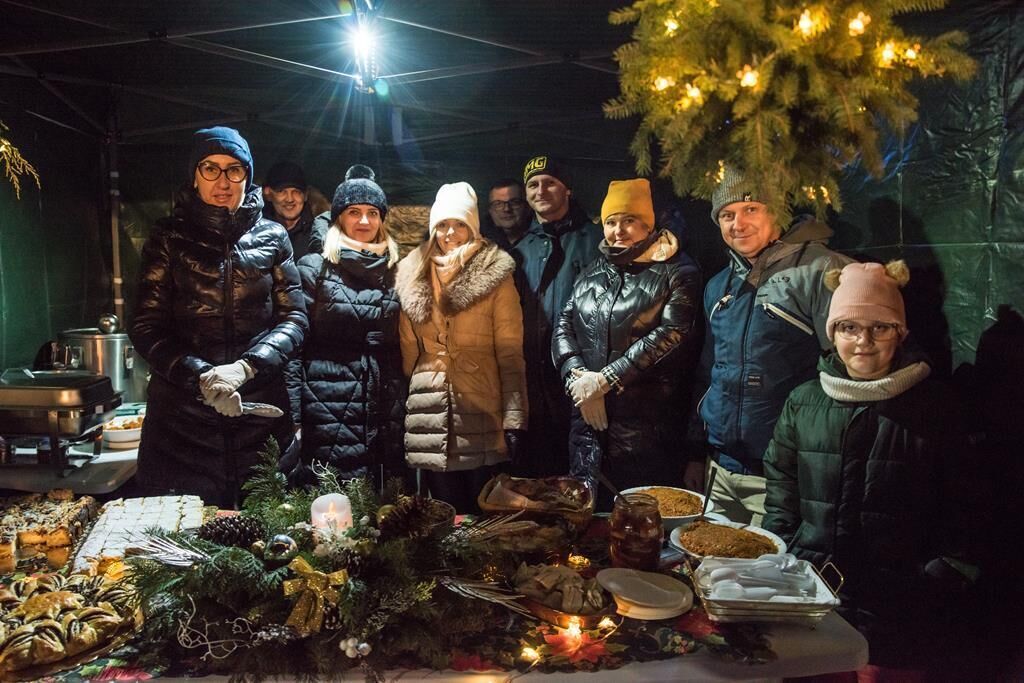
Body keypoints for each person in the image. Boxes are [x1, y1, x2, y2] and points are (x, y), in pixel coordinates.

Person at [763, 261, 975, 675]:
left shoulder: (935, 407)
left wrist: (939, 574)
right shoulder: (805, 400)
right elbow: (782, 481)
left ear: (900, 332)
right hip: (814, 592)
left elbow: (967, 499)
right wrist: (786, 548)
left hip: (899, 603)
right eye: (848, 327)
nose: (863, 341)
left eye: (879, 327)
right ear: (832, 333)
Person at [130, 126, 307, 509]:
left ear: (248, 175)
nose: (222, 181)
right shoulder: (167, 238)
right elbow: (146, 325)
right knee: (183, 544)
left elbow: (294, 319)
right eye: (210, 168)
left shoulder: (273, 237)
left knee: (267, 540)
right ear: (194, 175)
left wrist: (246, 368)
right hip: (182, 428)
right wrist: (201, 376)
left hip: (258, 421)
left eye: (234, 170)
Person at [685, 168, 853, 524]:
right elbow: (708, 372)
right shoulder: (719, 286)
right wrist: (696, 450)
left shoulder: (823, 271)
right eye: (726, 215)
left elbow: (847, 370)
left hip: (784, 472)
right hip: (722, 469)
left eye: (751, 209)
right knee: (715, 570)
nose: (738, 224)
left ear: (776, 211)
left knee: (768, 573)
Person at [552, 179, 702, 509]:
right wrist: (579, 379)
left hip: (644, 434)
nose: (618, 230)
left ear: (649, 224)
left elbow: (673, 332)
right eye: (611, 222)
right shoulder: (593, 271)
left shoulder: (677, 270)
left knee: (639, 528)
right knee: (588, 528)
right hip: (588, 428)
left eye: (629, 220)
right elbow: (563, 326)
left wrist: (605, 381)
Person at [396, 182, 528, 512]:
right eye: (442, 224)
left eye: (459, 224)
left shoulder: (496, 273)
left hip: (481, 409)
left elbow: (510, 352)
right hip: (428, 410)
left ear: (473, 226)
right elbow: (409, 350)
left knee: (484, 512)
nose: (450, 233)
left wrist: (514, 419)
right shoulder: (413, 273)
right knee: (441, 515)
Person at [284, 165, 407, 489]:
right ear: (339, 217)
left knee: (388, 515)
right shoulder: (313, 269)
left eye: (372, 212)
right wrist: (295, 414)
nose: (364, 221)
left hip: (387, 405)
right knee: (333, 509)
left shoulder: (399, 271)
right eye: (354, 212)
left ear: (382, 218)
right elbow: (294, 347)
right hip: (326, 407)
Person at [511, 155, 601, 478]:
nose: (541, 190)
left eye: (550, 182)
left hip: (580, 377)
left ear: (568, 190)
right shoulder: (521, 249)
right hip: (534, 384)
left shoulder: (595, 241)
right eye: (533, 184)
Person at [262, 161, 316, 260]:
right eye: (281, 191)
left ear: (305, 195)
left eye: (296, 192)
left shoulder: (321, 234)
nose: (289, 199)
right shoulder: (253, 232)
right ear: (268, 194)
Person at [482, 177, 531, 248]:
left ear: (527, 206)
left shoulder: (543, 242)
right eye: (498, 204)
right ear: (490, 210)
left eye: (514, 202)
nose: (506, 209)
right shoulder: (480, 244)